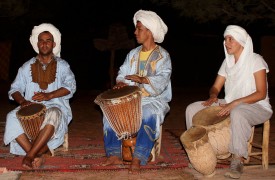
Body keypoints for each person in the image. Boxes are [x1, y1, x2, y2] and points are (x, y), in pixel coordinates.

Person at [185, 25, 273, 179]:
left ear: (241, 41)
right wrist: (213, 95)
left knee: (238, 112)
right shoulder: (227, 62)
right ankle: (198, 153)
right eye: (225, 39)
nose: (227, 42)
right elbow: (215, 86)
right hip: (231, 101)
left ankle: (237, 159)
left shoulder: (256, 60)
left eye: (231, 39)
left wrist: (235, 103)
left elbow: (261, 93)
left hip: (257, 106)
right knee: (192, 109)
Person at [101, 10, 172, 173]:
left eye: (139, 28)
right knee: (109, 112)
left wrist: (143, 79)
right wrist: (120, 83)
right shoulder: (132, 54)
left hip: (154, 100)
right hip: (132, 100)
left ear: (150, 31)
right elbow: (123, 73)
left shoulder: (163, 56)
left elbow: (161, 82)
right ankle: (113, 154)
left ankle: (138, 157)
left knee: (148, 114)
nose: (135, 32)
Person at [4, 23, 76, 169]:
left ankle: (30, 156)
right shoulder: (26, 67)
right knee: (11, 116)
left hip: (55, 106)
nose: (44, 44)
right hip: (31, 107)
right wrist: (23, 101)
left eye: (48, 40)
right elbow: (14, 89)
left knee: (54, 113)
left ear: (53, 44)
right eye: (41, 41)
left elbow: (70, 87)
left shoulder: (63, 65)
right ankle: (39, 154)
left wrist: (49, 95)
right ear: (37, 44)